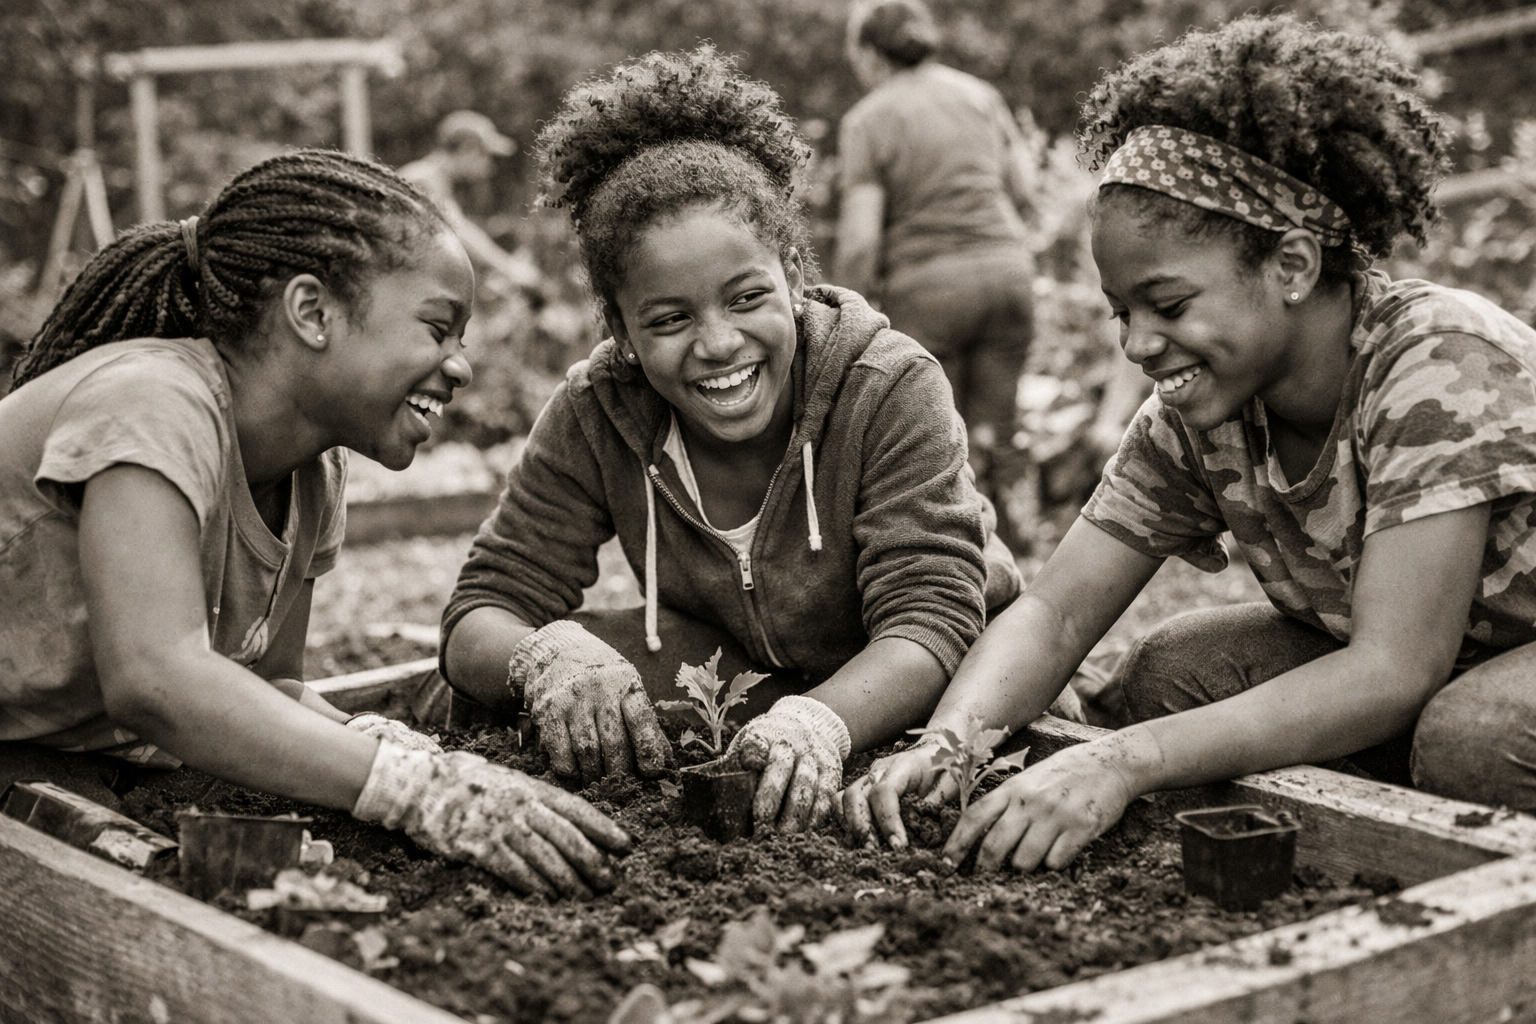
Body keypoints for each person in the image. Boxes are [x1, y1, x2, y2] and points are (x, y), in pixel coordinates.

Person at [842, 13, 1536, 871]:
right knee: (1166, 674)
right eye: (1119, 312)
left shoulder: (1435, 361)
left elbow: (1394, 667)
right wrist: (950, 744)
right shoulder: (1197, 418)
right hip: (1445, 665)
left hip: (1492, 669)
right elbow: (1057, 614)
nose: (1136, 344)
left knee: (1472, 736)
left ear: (1291, 266)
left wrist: (1124, 761)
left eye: (1167, 306)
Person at [0, 149, 627, 899]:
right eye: (437, 328)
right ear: (312, 313)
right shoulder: (153, 403)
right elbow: (155, 680)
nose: (459, 366)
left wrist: (394, 748)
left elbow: (269, 683)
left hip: (67, 755)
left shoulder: (312, 472)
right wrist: (411, 791)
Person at [439, 47, 1022, 834]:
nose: (718, 344)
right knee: (491, 687)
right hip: (758, 673)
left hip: (939, 686)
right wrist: (543, 658)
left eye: (747, 298)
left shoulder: (885, 383)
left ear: (790, 270)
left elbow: (931, 617)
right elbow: (484, 607)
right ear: (620, 329)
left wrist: (820, 723)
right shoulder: (597, 411)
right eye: (670, 319)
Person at [835, 0, 1036, 499]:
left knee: (938, 430)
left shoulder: (869, 118)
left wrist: (842, 319)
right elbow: (1025, 191)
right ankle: (1015, 535)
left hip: (929, 292)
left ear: (868, 53)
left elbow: (861, 242)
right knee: (997, 426)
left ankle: (960, 539)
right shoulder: (981, 96)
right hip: (1008, 276)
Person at [400, 110, 543, 298]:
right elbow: (457, 229)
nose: (490, 167)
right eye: (487, 156)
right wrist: (510, 268)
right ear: (468, 149)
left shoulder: (435, 179)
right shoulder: (424, 178)